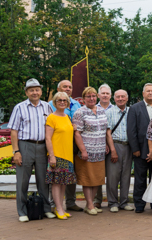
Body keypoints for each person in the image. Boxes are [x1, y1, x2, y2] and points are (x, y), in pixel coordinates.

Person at [10, 78, 55, 222]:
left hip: (42, 146)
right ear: (26, 92)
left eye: (37, 90)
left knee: (44, 181)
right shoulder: (19, 107)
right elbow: (14, 131)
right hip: (25, 146)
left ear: (41, 91)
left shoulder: (47, 107)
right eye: (31, 90)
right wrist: (16, 151)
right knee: (22, 181)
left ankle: (46, 209)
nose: (34, 92)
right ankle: (22, 211)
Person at [127, 83, 152, 213]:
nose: (150, 93)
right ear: (143, 93)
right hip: (141, 150)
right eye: (148, 91)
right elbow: (131, 131)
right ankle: (139, 204)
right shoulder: (135, 108)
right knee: (140, 179)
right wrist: (135, 149)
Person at [73, 87, 108, 216]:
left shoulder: (101, 110)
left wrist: (105, 144)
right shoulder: (80, 112)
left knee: (97, 179)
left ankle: (90, 204)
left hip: (100, 151)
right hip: (86, 152)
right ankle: (89, 204)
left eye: (93, 96)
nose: (91, 98)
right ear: (83, 99)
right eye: (88, 96)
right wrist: (83, 150)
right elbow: (77, 134)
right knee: (87, 179)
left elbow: (104, 130)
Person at [48, 80, 82, 212]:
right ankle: (54, 205)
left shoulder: (76, 105)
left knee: (68, 178)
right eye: (65, 87)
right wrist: (51, 155)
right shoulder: (50, 108)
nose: (68, 89)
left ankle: (69, 202)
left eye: (70, 87)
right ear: (58, 89)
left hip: (71, 146)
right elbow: (48, 135)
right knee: (56, 180)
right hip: (57, 148)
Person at [45, 92, 77, 220]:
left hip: (68, 155)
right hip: (57, 155)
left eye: (65, 100)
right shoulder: (51, 118)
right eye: (59, 100)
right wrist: (52, 156)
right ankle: (58, 208)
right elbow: (48, 138)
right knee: (56, 183)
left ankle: (61, 207)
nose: (62, 102)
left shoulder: (67, 117)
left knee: (64, 183)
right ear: (55, 102)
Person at [104, 89, 134, 212]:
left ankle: (124, 202)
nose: (120, 99)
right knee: (113, 176)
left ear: (127, 98)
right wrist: (113, 150)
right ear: (114, 98)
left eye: (123, 96)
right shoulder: (109, 112)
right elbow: (108, 132)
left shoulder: (131, 111)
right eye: (118, 97)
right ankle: (112, 203)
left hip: (128, 146)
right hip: (115, 145)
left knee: (126, 176)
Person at [94, 83, 113, 209]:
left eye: (107, 93)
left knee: (112, 174)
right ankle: (97, 200)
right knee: (97, 173)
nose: (105, 95)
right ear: (98, 95)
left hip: (112, 146)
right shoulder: (93, 108)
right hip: (96, 145)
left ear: (110, 95)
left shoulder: (115, 109)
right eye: (103, 93)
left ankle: (112, 200)